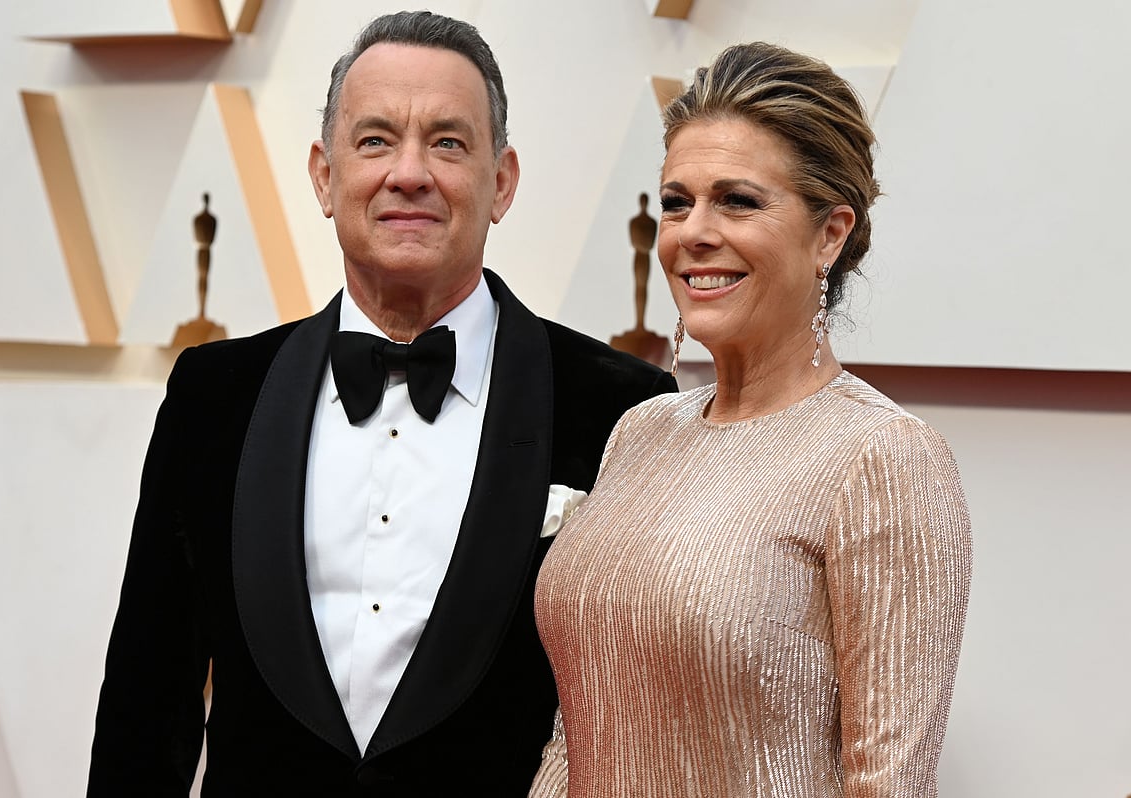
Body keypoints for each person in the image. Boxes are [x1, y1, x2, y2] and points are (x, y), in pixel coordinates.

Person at [86, 11, 675, 797]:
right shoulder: (212, 395)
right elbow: (146, 700)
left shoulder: (622, 408)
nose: (409, 172)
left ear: (501, 183)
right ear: (324, 177)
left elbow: (643, 719)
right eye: (374, 140)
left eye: (448, 142)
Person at [531, 42, 972, 797]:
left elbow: (889, 784)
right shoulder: (639, 432)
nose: (693, 232)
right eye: (677, 201)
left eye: (738, 200)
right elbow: (578, 732)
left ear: (831, 232)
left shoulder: (884, 458)